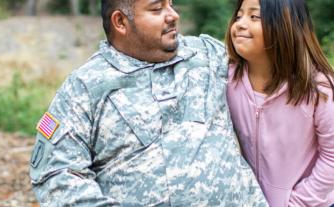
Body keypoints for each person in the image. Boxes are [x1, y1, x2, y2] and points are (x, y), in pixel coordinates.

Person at [29, 0, 268, 206]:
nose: (173, 15)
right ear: (120, 22)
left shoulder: (208, 55)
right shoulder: (84, 87)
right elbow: (55, 174)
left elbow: (281, 71)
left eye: (171, 4)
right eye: (157, 9)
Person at [225, 0, 334, 206]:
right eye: (238, 16)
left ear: (285, 25)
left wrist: (299, 202)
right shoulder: (228, 80)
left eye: (254, 16)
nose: (239, 24)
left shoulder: (317, 89)